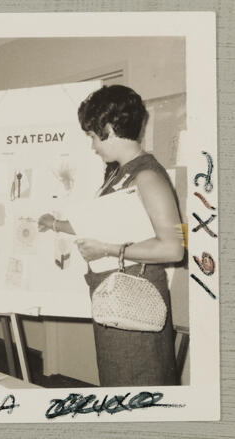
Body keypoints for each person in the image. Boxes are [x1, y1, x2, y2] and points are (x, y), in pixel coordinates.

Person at [38, 85, 184, 387]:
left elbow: (173, 248)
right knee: (117, 383)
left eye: (92, 135)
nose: (92, 145)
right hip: (114, 299)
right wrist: (56, 224)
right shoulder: (120, 173)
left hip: (136, 303)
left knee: (136, 388)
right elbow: (108, 225)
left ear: (108, 129)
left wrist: (106, 249)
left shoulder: (149, 176)